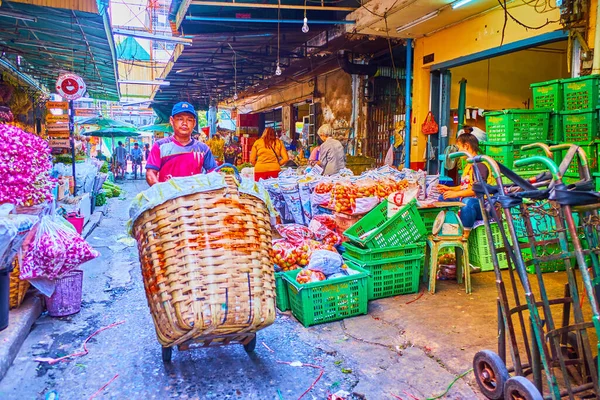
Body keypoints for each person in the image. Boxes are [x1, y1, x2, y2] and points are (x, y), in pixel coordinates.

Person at [146, 102, 217, 186]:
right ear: (172, 121)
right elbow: (150, 173)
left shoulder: (203, 149)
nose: (184, 123)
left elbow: (214, 174)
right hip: (168, 197)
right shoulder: (160, 146)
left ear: (194, 123)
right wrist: (161, 191)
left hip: (195, 197)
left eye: (189, 120)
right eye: (180, 119)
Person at [438, 133, 495, 234]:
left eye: (459, 148)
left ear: (466, 146)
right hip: (470, 198)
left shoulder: (480, 164)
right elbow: (465, 186)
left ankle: (465, 234)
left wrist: (456, 194)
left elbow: (478, 189)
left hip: (485, 205)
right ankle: (451, 229)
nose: (458, 152)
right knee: (443, 198)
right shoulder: (469, 165)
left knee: (467, 202)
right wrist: (449, 189)